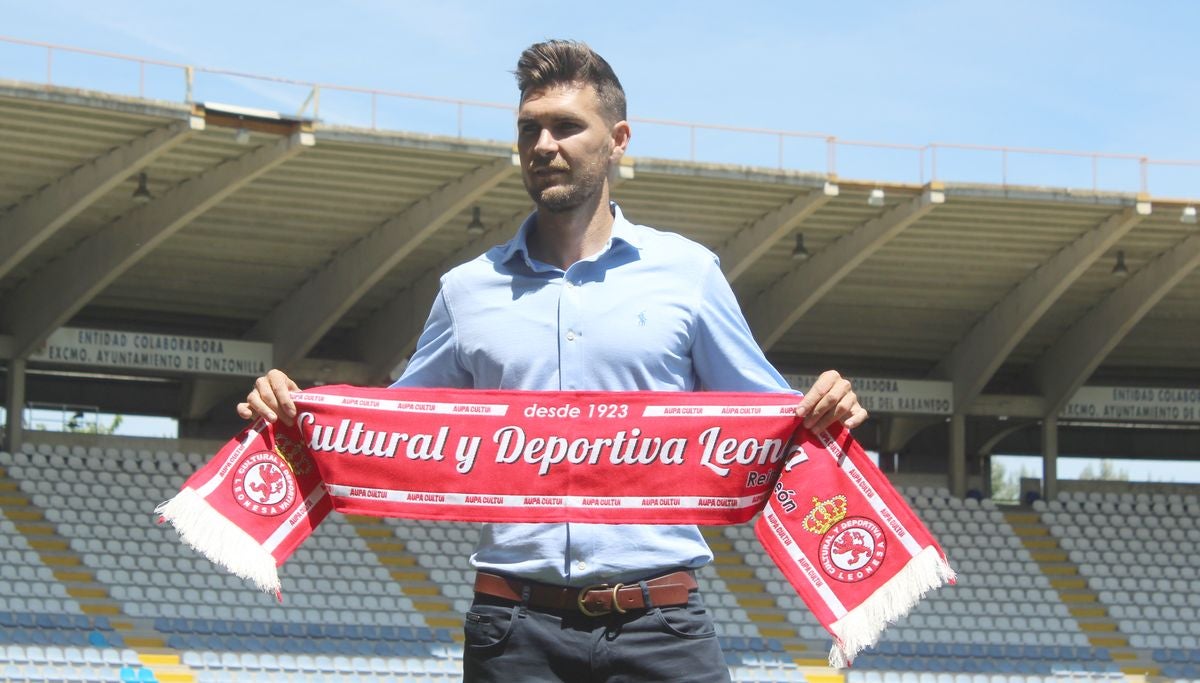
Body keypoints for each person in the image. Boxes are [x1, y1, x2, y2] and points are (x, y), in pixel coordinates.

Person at [239, 39, 867, 683]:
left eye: (567, 126)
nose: (544, 145)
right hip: (513, 631)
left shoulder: (689, 275)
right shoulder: (466, 291)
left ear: (618, 138)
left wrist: (825, 404)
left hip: (663, 627)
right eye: (529, 129)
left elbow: (773, 422)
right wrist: (294, 409)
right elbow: (392, 428)